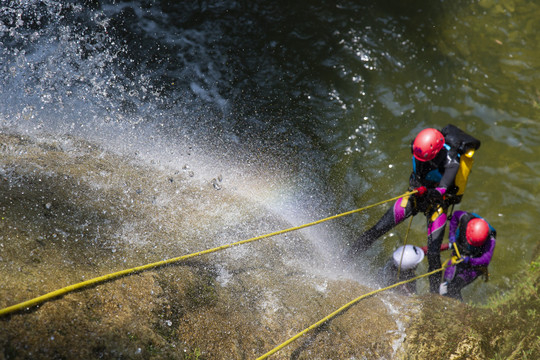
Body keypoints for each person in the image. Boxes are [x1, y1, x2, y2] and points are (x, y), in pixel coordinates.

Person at [350, 125, 480, 293]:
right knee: (378, 229)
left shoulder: (451, 162)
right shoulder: (418, 150)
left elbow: (441, 190)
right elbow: (417, 173)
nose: (420, 160)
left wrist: (427, 192)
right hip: (416, 195)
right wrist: (417, 187)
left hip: (436, 204)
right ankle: (345, 260)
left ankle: (433, 297)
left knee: (433, 254)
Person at [440, 211, 496, 301]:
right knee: (445, 283)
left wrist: (469, 260)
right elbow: (455, 216)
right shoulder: (465, 218)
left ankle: (460, 309)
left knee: (454, 288)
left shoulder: (491, 239)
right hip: (457, 256)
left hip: (473, 266)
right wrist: (452, 234)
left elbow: (485, 260)